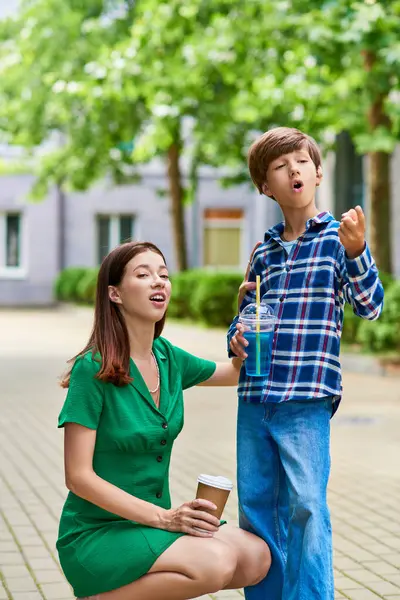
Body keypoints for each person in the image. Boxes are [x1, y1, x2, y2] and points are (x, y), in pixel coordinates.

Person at [56, 241, 271, 600]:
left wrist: (244, 320)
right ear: (115, 293)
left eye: (164, 275)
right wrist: (165, 518)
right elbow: (77, 477)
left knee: (256, 558)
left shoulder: (167, 356)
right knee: (214, 563)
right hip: (97, 533)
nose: (159, 282)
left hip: (154, 525)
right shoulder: (91, 369)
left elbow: (235, 373)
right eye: (143, 275)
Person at [228, 127, 384, 600]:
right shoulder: (263, 252)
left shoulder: (339, 240)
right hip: (255, 399)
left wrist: (358, 252)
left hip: (306, 397)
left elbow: (370, 306)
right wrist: (235, 337)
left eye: (300, 160)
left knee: (306, 507)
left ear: (318, 172)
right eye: (279, 165)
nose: (292, 169)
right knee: (256, 509)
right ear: (265, 186)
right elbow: (247, 319)